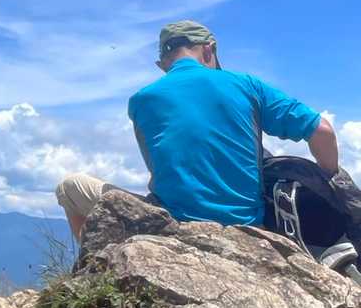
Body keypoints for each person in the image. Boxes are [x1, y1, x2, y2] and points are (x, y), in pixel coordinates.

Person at [56, 19, 338, 241]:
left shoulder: (142, 100)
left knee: (69, 187)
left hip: (173, 227)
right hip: (249, 228)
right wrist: (331, 181)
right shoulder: (246, 85)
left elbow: (161, 169)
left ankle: (94, 269)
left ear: (162, 64)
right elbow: (322, 131)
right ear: (209, 50)